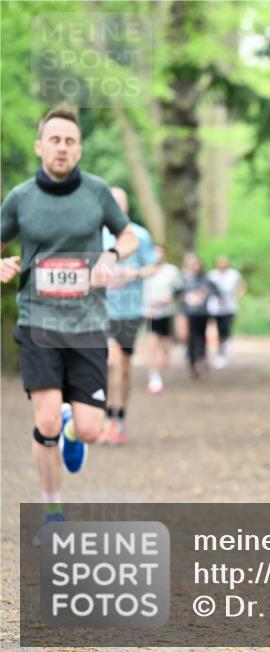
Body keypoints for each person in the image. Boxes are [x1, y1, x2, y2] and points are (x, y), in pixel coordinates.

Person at [0, 107, 138, 537]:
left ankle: (73, 431)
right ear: (40, 146)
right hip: (38, 321)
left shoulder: (96, 193)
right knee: (44, 423)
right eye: (54, 140)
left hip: (88, 324)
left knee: (92, 429)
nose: (62, 148)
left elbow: (129, 235)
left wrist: (111, 256)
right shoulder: (20, 198)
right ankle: (53, 513)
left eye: (69, 141)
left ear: (79, 149)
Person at [98, 188, 157, 445]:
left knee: (123, 367)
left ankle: (120, 416)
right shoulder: (96, 234)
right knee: (110, 362)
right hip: (102, 310)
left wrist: (134, 274)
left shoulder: (139, 235)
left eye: (119, 203)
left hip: (131, 311)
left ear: (126, 207)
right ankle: (105, 418)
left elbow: (152, 267)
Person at [143, 244, 182, 394]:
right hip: (149, 313)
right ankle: (154, 377)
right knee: (151, 342)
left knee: (165, 342)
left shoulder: (171, 271)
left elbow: (180, 288)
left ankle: (165, 354)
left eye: (160, 252)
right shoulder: (144, 270)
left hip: (166, 312)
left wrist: (171, 296)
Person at [177, 252, 218, 378]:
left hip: (202, 313)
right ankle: (192, 362)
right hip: (188, 313)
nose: (195, 266)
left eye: (196, 264)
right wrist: (184, 297)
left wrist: (205, 294)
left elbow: (215, 291)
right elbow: (176, 293)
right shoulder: (183, 279)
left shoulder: (206, 279)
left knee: (201, 336)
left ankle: (201, 358)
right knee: (191, 338)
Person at [207, 255, 245, 369]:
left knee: (226, 328)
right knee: (217, 330)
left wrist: (238, 296)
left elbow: (241, 285)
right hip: (215, 308)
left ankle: (224, 348)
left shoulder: (234, 274)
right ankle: (220, 352)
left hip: (229, 307)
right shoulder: (212, 275)